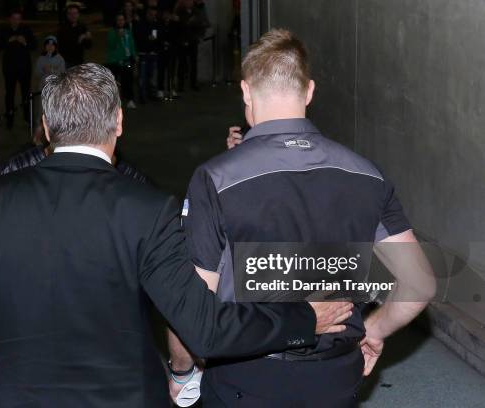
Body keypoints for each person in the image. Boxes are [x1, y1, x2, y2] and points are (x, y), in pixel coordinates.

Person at [0, 63, 353, 407]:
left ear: (45, 126)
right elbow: (204, 327)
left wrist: (7, 372)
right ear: (119, 121)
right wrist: (305, 317)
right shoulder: (148, 209)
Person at [168, 29, 435, 406]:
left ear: (245, 91)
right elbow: (420, 284)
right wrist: (373, 328)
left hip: (248, 377)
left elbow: (194, 306)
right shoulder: (367, 174)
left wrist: (182, 369)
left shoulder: (215, 179)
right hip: (336, 375)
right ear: (309, 91)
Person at [0, 9, 36, 130]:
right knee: (9, 94)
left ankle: (28, 118)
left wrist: (25, 42)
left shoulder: (26, 29)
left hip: (25, 68)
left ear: (21, 19)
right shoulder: (3, 30)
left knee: (26, 94)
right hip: (9, 68)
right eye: (14, 18)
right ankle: (9, 118)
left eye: (18, 18)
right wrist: (7, 41)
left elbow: (34, 46)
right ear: (9, 19)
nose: (16, 21)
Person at [175, 0, 209, 92]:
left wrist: (198, 36)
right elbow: (178, 26)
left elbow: (202, 24)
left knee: (193, 63)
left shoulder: (196, 12)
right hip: (182, 41)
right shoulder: (179, 11)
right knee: (182, 63)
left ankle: (193, 83)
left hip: (193, 40)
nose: (188, 2)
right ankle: (180, 84)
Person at [107, 14, 138, 108]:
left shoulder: (128, 32)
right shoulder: (111, 32)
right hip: (114, 61)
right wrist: (117, 37)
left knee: (128, 80)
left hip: (126, 61)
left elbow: (132, 44)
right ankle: (115, 102)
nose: (120, 22)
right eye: (118, 20)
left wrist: (135, 55)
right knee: (115, 82)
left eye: (122, 20)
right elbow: (111, 46)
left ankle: (130, 99)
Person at [134, 7, 160, 102]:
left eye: (154, 15)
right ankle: (142, 95)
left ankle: (150, 93)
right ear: (147, 14)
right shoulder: (140, 24)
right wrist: (147, 38)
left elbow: (156, 37)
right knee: (143, 76)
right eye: (151, 15)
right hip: (143, 53)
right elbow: (138, 38)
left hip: (152, 53)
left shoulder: (155, 24)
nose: (153, 17)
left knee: (150, 75)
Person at [57, 3, 92, 68]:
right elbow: (63, 46)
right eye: (70, 14)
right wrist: (79, 39)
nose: (73, 16)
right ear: (67, 15)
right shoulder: (62, 28)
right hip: (66, 62)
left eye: (75, 13)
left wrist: (88, 38)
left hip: (79, 61)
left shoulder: (82, 27)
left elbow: (88, 46)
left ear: (78, 14)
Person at [157, 8, 180, 98]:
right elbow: (157, 36)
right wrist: (163, 43)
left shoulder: (174, 25)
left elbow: (177, 36)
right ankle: (160, 89)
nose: (166, 17)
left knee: (172, 72)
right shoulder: (159, 24)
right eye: (165, 15)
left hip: (171, 51)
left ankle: (171, 89)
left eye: (168, 15)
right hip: (162, 51)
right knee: (161, 71)